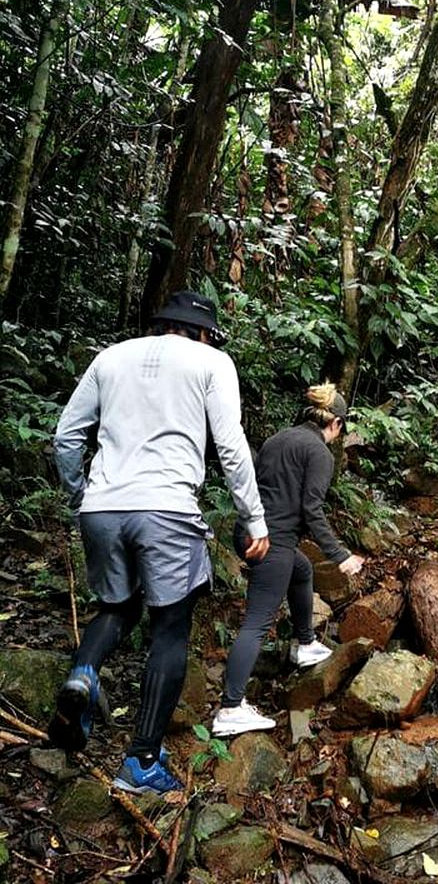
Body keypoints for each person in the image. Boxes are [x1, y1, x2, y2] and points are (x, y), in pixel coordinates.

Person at [49, 291, 269, 795]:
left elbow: (67, 437)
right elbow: (231, 447)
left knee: (117, 606)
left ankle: (84, 673)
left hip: (101, 507)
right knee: (170, 628)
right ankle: (142, 761)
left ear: (162, 324)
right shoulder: (212, 361)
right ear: (204, 332)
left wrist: (83, 495)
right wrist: (253, 518)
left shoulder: (110, 357)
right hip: (167, 509)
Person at [211, 382, 365, 737]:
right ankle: (230, 708)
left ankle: (304, 643)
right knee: (256, 623)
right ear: (337, 425)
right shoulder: (320, 454)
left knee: (302, 569)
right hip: (272, 541)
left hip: (248, 531)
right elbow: (312, 510)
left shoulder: (279, 439)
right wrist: (340, 556)